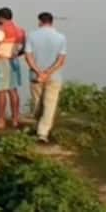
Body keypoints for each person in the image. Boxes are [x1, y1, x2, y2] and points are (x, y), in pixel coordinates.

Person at [25, 12, 67, 143]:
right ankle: (43, 133)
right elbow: (61, 60)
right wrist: (48, 73)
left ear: (40, 22)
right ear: (52, 22)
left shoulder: (32, 36)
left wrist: (39, 72)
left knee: (37, 102)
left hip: (35, 76)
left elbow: (28, 57)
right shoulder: (61, 37)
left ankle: (37, 125)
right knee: (50, 104)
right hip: (54, 76)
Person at [0, 7, 26, 129]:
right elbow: (24, 48)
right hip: (14, 61)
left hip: (1, 62)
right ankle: (15, 118)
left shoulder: (1, 30)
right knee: (13, 90)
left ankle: (1, 120)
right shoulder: (20, 30)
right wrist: (16, 54)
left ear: (0, 18)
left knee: (1, 92)